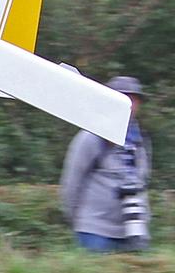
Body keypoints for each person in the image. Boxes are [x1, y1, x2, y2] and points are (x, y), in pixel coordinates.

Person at [60, 75, 151, 252]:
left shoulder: (140, 141)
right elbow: (72, 180)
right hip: (94, 229)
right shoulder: (91, 137)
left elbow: (142, 182)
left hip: (131, 230)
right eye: (125, 98)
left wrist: (143, 223)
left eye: (134, 99)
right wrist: (75, 218)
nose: (131, 105)